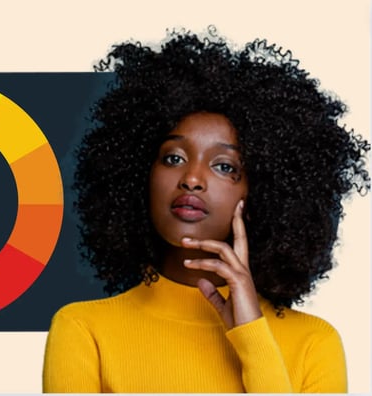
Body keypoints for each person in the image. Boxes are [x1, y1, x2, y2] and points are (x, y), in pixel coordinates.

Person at [42, 28, 370, 393]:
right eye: (173, 158)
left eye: (225, 166)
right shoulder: (84, 329)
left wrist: (251, 335)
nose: (193, 179)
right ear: (138, 176)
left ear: (265, 191)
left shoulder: (313, 343)